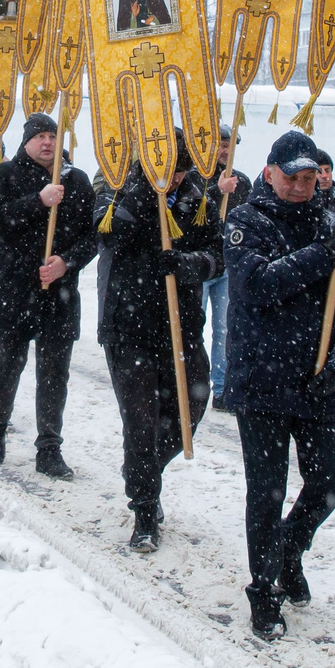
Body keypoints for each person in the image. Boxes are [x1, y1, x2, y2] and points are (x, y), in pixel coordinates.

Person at [224, 130, 335, 639]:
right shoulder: (246, 220)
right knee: (266, 491)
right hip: (262, 382)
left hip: (317, 386)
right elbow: (255, 285)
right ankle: (263, 589)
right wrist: (321, 257)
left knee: (329, 481)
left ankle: (291, 547)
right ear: (270, 173)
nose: (302, 186)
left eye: (310, 177)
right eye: (293, 176)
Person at [100, 140, 221, 549]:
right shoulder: (119, 187)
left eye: (183, 171)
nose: (175, 179)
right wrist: (144, 197)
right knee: (140, 421)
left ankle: (145, 467)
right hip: (129, 326)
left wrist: (189, 265)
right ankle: (145, 511)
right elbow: (108, 232)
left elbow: (219, 256)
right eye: (168, 169)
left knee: (190, 409)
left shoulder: (198, 199)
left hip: (181, 329)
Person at [0, 113, 99, 474]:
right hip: (14, 291)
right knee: (5, 368)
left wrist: (68, 262)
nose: (47, 142)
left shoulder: (75, 180)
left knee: (54, 374)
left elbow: (93, 236)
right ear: (26, 140)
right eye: (40, 136)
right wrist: (37, 201)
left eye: (53, 135)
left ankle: (49, 447)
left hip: (59, 295)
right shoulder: (5, 174)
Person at [205, 131, 244, 404]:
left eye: (229, 145)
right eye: (220, 144)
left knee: (224, 329)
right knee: (192, 325)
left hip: (227, 265)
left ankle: (221, 386)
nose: (225, 151)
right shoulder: (196, 178)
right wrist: (217, 191)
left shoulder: (241, 182)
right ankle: (187, 381)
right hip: (200, 265)